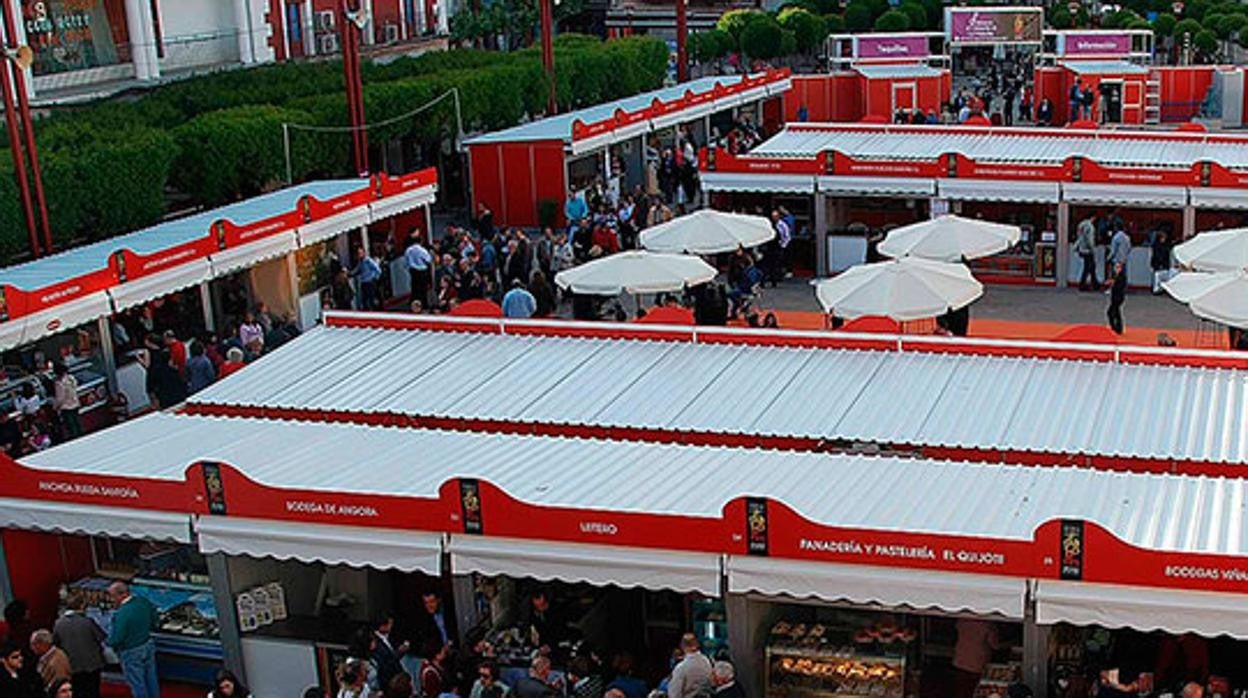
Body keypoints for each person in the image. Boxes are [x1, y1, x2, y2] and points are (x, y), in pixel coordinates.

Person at [106, 582, 160, 698]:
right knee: (151, 680)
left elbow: (117, 638)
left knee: (137, 684)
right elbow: (155, 619)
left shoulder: (122, 613)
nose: (111, 599)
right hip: (147, 644)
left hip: (131, 651)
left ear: (121, 595)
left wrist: (108, 643)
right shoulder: (143, 601)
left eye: (112, 596)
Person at [53, 594, 105, 698]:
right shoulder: (87, 622)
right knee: (93, 691)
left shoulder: (58, 624)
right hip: (92, 664)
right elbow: (101, 637)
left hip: (72, 665)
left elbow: (56, 643)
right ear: (82, 606)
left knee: (77, 691)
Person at [952, 619, 998, 698]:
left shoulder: (962, 620)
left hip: (960, 660)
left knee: (960, 690)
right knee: (975, 691)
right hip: (977, 663)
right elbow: (995, 644)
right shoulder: (987, 625)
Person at [371, 616, 407, 692]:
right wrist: (399, 653)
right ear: (382, 626)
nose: (391, 626)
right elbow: (385, 663)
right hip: (388, 682)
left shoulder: (388, 638)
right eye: (390, 624)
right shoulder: (375, 642)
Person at [1106, 226, 1131, 335]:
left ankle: (1116, 328)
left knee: (1113, 309)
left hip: (1117, 262)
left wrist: (1109, 258)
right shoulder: (1127, 238)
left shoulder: (1116, 238)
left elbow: (1113, 251)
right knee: (1116, 308)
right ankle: (1118, 328)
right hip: (1123, 262)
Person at [51, 364, 80, 441]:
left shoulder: (59, 383)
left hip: (66, 406)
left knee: (71, 426)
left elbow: (60, 398)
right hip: (75, 403)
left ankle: (75, 439)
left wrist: (55, 407)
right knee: (77, 422)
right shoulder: (71, 378)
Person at [406, 231, 434, 308]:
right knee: (423, 290)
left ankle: (415, 305)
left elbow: (407, 261)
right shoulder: (422, 250)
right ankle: (424, 305)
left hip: (413, 271)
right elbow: (428, 260)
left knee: (415, 289)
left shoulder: (408, 250)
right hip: (422, 271)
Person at [1075, 215, 1099, 291]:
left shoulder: (1081, 225)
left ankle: (1094, 284)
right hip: (1088, 250)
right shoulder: (1090, 227)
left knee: (1090, 267)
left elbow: (1079, 237)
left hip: (1082, 249)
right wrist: (1093, 249)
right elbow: (1090, 239)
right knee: (1089, 267)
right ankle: (1084, 284)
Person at [1151, 229, 1173, 294]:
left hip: (1159, 264)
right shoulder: (1163, 246)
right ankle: (1158, 289)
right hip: (1160, 264)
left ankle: (1157, 289)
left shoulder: (1156, 245)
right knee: (1158, 276)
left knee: (1157, 276)